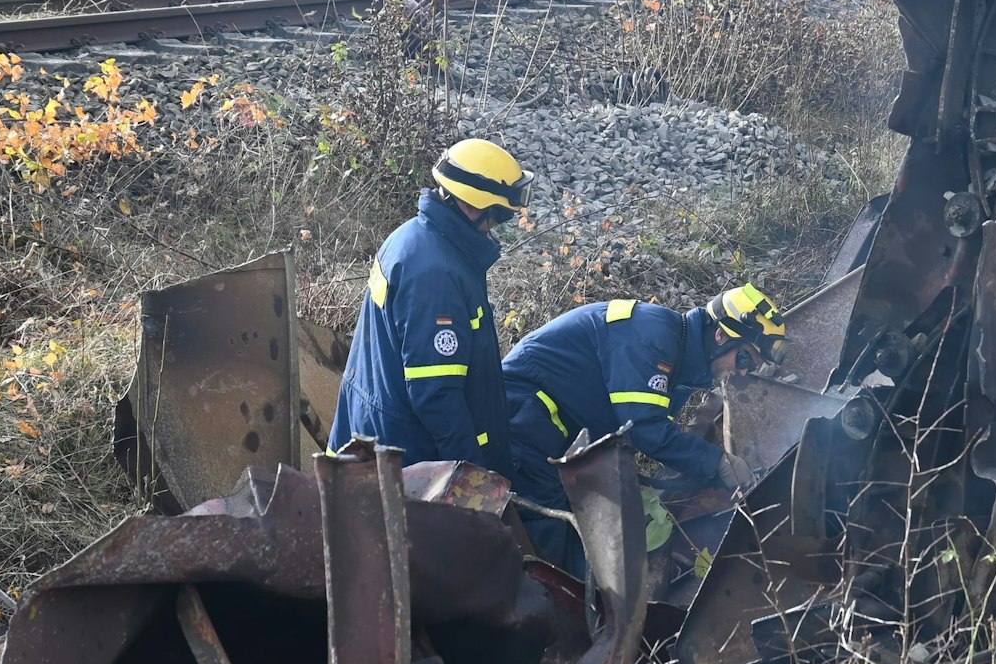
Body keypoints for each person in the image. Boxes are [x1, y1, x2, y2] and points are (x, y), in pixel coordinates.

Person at [502, 283, 786, 570]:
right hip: (525, 418)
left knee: (593, 531)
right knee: (555, 529)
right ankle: (563, 606)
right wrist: (718, 463)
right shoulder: (652, 338)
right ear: (721, 335)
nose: (743, 371)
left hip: (557, 430)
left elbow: (649, 432)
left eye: (751, 366)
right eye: (744, 357)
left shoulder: (680, 361)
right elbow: (643, 428)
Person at [330, 138, 535, 476]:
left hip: (377, 430)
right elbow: (437, 394)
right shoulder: (436, 274)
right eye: (500, 216)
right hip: (410, 463)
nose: (498, 227)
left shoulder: (415, 238)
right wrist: (472, 477)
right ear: (472, 206)